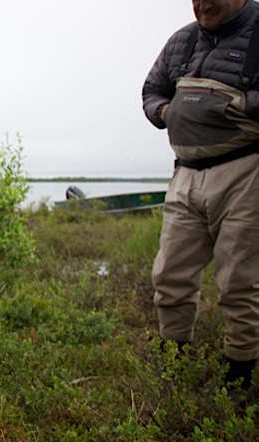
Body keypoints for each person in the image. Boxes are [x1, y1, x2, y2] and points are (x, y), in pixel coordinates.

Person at [142, 0, 259, 400]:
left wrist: (236, 105)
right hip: (186, 172)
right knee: (169, 275)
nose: (202, 3)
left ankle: (239, 377)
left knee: (240, 283)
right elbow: (151, 90)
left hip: (246, 171)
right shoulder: (183, 41)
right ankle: (173, 360)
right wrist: (167, 112)